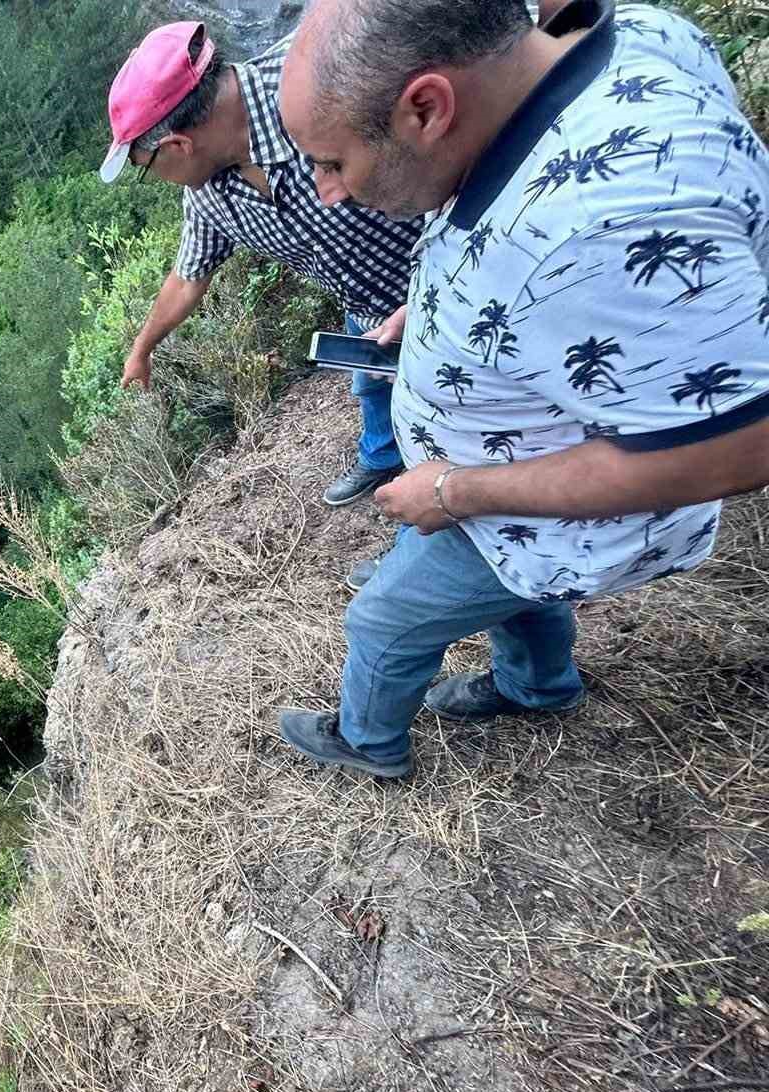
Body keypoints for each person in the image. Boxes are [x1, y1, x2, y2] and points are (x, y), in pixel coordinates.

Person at [272, 0, 769, 779]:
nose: (326, 190)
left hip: (535, 512)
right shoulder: (627, 39)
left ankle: (367, 743)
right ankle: (538, 687)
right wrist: (441, 308)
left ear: (427, 107)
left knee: (386, 618)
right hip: (523, 512)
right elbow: (572, 289)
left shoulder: (600, 221)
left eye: (333, 162)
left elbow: (735, 446)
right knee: (525, 598)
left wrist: (455, 492)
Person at [100, 21, 420, 507]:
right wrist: (141, 350)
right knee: (371, 384)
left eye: (145, 169)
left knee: (449, 412)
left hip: (447, 276)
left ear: (177, 146)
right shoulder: (208, 192)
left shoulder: (321, 72)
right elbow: (186, 279)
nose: (156, 178)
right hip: (367, 306)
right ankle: (382, 461)